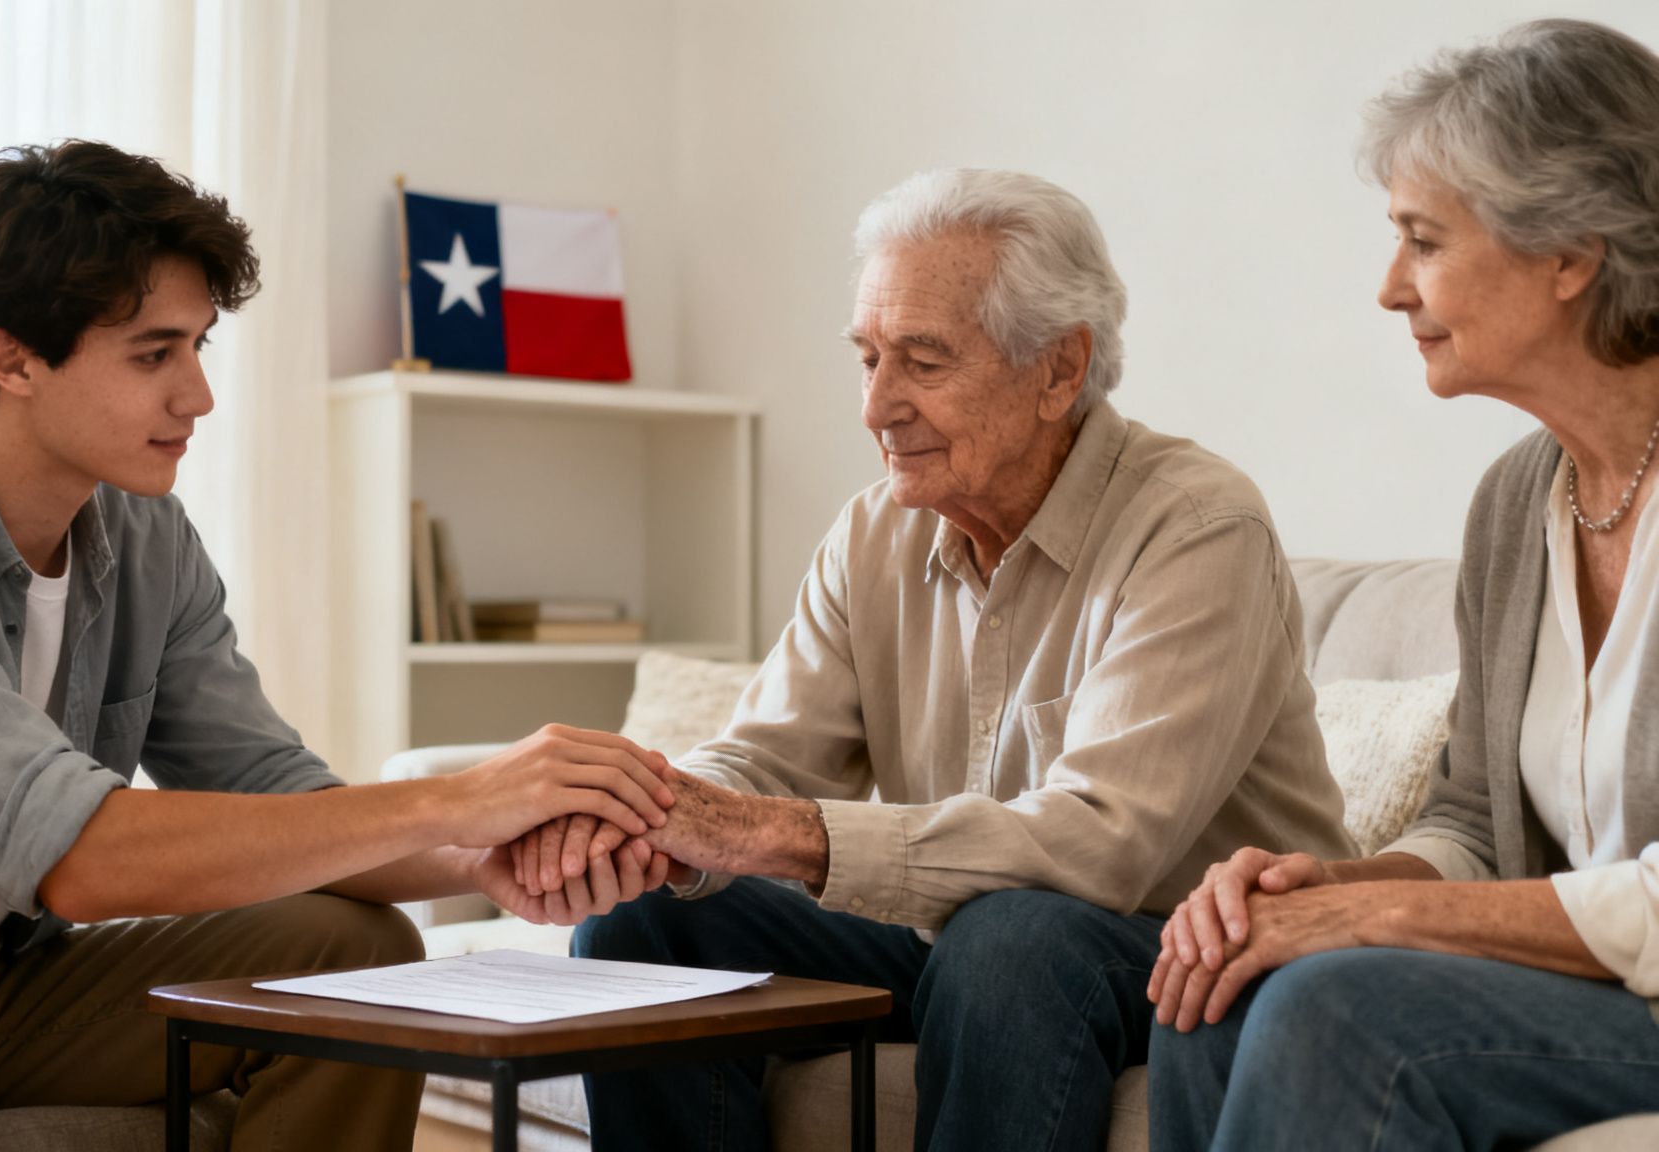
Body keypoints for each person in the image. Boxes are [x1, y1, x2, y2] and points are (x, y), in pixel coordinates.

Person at [0, 140, 675, 1152]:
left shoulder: (143, 535)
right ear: (11, 359)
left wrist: (483, 862)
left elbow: (275, 797)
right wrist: (458, 797)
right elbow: (78, 857)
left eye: (198, 345)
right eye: (152, 353)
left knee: (350, 953)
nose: (198, 395)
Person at [544, 167, 1356, 1152]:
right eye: (866, 358)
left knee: (1008, 934)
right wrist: (649, 820)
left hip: (1178, 943)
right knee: (642, 923)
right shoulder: (871, 533)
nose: (875, 406)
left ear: (1059, 370)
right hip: (961, 933)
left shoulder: (1194, 529)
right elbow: (761, 760)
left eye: (921, 361)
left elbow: (1096, 848)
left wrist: (768, 832)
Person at [1146, 19, 1659, 1151]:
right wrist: (1325, 886)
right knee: (1212, 992)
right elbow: (1477, 814)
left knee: (1336, 1008)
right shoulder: (1514, 502)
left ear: (1568, 251)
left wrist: (1373, 915)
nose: (1389, 289)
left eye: (1421, 240)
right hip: (1596, 1000)